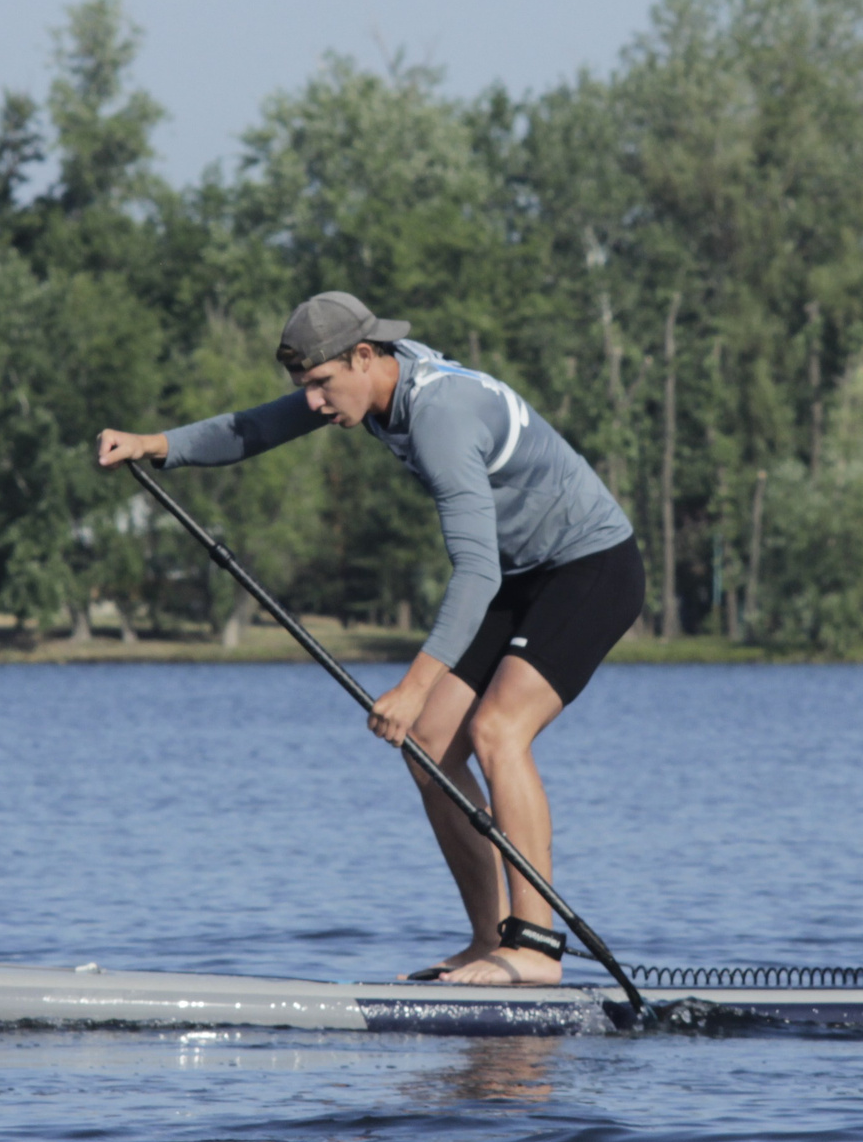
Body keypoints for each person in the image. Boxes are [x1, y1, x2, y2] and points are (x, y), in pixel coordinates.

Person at [95, 291, 643, 986]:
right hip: (521, 573)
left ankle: (536, 948)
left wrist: (412, 687)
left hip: (591, 567)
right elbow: (256, 427)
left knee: (498, 729)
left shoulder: (440, 416)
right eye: (306, 386)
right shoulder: (371, 382)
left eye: (322, 384)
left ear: (363, 355)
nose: (314, 402)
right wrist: (156, 445)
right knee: (430, 746)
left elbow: (475, 571)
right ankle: (488, 941)